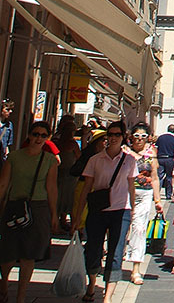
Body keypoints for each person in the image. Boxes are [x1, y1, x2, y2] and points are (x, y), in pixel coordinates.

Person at [0, 119, 58, 303]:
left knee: (29, 254)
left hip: (38, 208)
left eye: (43, 136)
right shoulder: (15, 157)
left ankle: (21, 296)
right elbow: (3, 183)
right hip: (14, 206)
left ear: (48, 138)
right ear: (29, 135)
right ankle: (4, 281)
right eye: (35, 134)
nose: (38, 138)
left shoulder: (50, 160)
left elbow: (51, 188)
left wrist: (54, 214)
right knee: (8, 253)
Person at [73, 120, 133, 303]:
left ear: (123, 137)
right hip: (98, 210)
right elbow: (86, 188)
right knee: (93, 249)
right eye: (111, 134)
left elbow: (131, 188)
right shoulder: (95, 160)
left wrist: (132, 215)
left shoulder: (129, 160)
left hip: (121, 211)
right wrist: (77, 216)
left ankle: (108, 296)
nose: (113, 138)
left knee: (115, 252)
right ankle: (91, 284)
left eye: (117, 135)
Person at [123, 123, 164, 285]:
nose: (140, 139)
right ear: (131, 137)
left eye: (143, 136)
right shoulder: (125, 152)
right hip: (125, 194)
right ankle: (118, 259)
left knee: (139, 229)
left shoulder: (150, 153)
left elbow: (154, 177)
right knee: (123, 229)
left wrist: (157, 200)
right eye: (137, 136)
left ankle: (136, 269)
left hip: (144, 194)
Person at [54, 115, 80, 231]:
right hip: (70, 173)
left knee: (58, 196)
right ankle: (63, 220)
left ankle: (57, 219)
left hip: (59, 172)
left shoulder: (57, 141)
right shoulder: (72, 143)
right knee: (67, 197)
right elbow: (79, 156)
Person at [0, 99, 15, 197]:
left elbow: (8, 145)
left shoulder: (9, 126)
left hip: (1, 157)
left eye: (11, 109)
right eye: (7, 109)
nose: (10, 112)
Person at [155, 125, 174, 200]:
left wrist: (155, 158)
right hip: (169, 159)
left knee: (159, 176)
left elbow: (155, 149)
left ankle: (156, 194)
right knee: (169, 177)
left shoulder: (160, 138)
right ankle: (168, 194)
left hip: (160, 158)